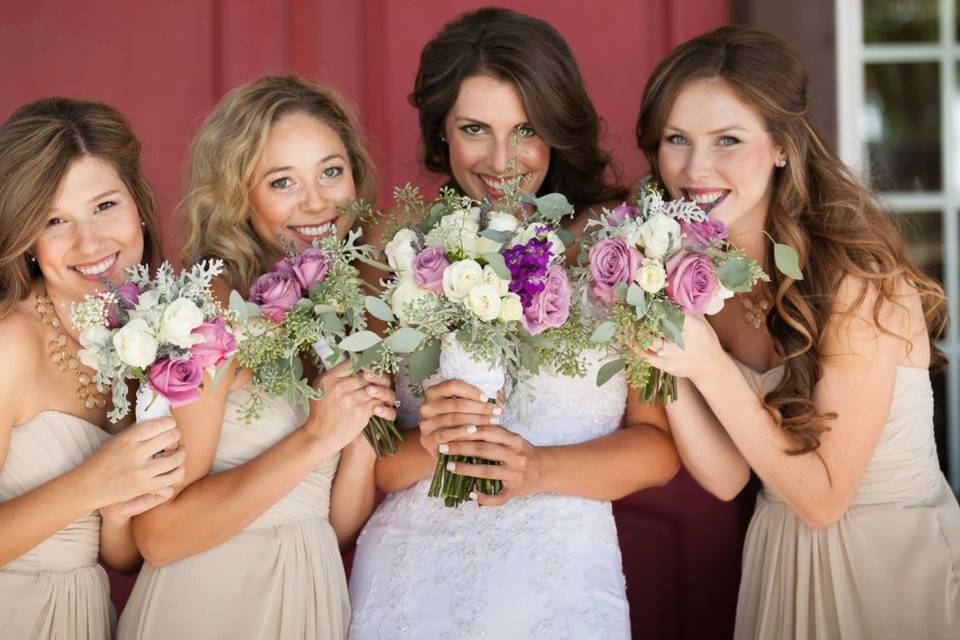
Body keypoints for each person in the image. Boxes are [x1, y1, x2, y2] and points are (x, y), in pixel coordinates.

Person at [348, 9, 679, 639]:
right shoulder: (401, 257)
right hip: (410, 581)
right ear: (441, 133)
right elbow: (378, 468)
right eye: (475, 128)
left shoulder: (618, 252)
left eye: (526, 129)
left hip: (558, 585)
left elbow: (658, 448)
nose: (504, 160)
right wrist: (430, 441)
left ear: (558, 126)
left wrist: (540, 470)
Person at [635, 25, 960, 639]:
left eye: (727, 139)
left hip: (887, 568)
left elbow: (824, 498)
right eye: (676, 139)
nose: (695, 168)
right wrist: (661, 352)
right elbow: (730, 477)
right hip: (781, 559)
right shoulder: (698, 280)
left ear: (783, 146)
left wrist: (707, 365)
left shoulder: (858, 281)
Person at [116, 75, 396, 640]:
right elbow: (158, 535)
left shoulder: (353, 310)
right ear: (238, 194)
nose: (316, 202)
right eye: (282, 181)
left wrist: (362, 435)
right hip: (212, 601)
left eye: (331, 172)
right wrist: (316, 438)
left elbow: (334, 527)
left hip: (309, 594)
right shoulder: (209, 314)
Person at [0, 97, 185, 639]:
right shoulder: (12, 343)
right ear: (27, 241)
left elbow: (121, 559)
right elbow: (88, 491)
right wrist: (92, 483)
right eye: (55, 220)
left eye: (105, 206)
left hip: (82, 616)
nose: (90, 243)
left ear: (139, 207)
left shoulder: (150, 335)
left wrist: (125, 503)